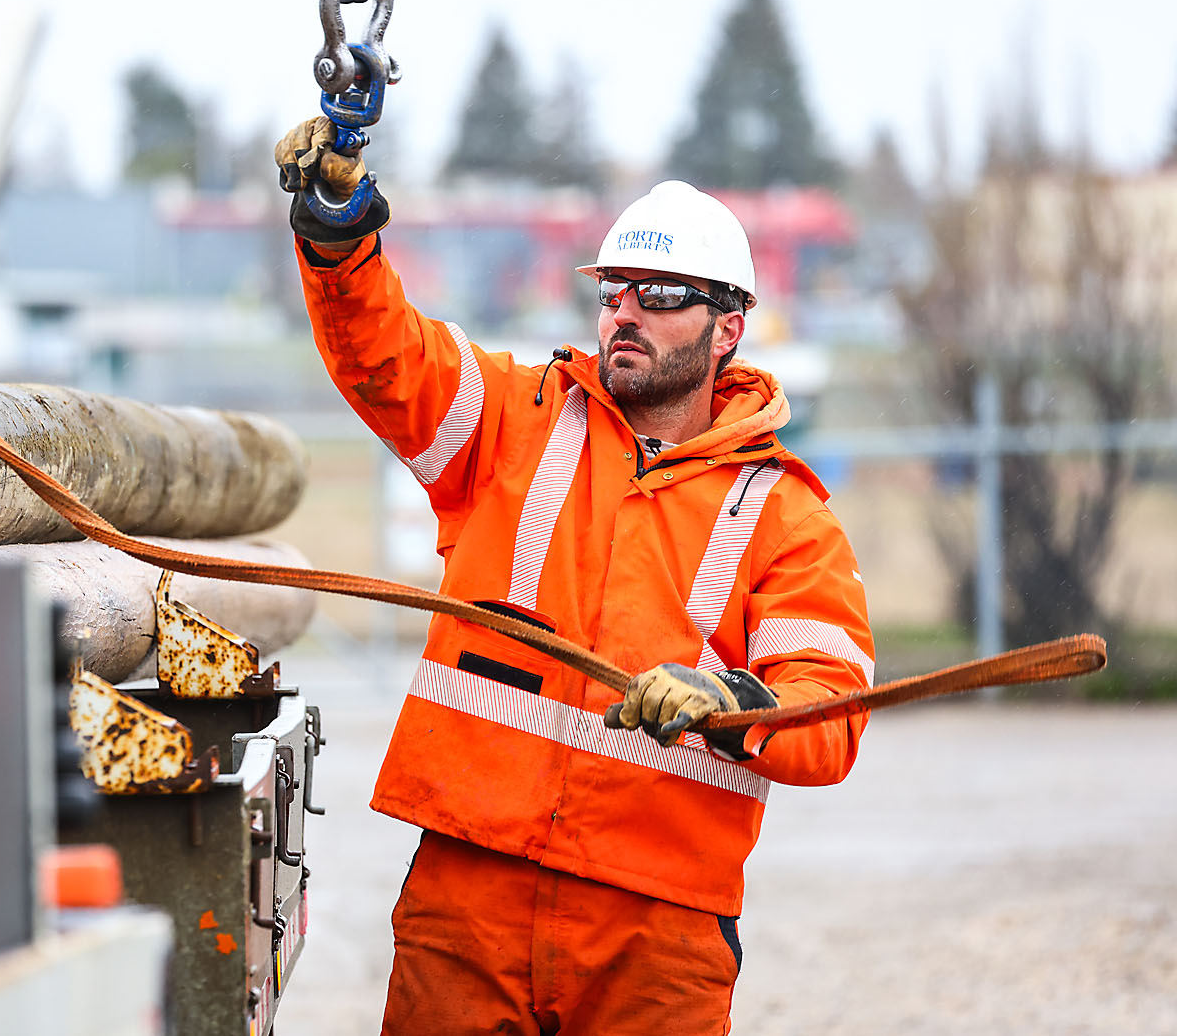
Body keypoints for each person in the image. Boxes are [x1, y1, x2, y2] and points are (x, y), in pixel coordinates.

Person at [275, 118, 874, 1035]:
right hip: (469, 896)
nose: (625, 312)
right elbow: (382, 352)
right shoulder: (515, 421)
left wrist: (730, 700)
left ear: (729, 328)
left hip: (658, 929)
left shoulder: (786, 514)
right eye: (613, 292)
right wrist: (336, 227)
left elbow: (828, 711)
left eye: (661, 294)